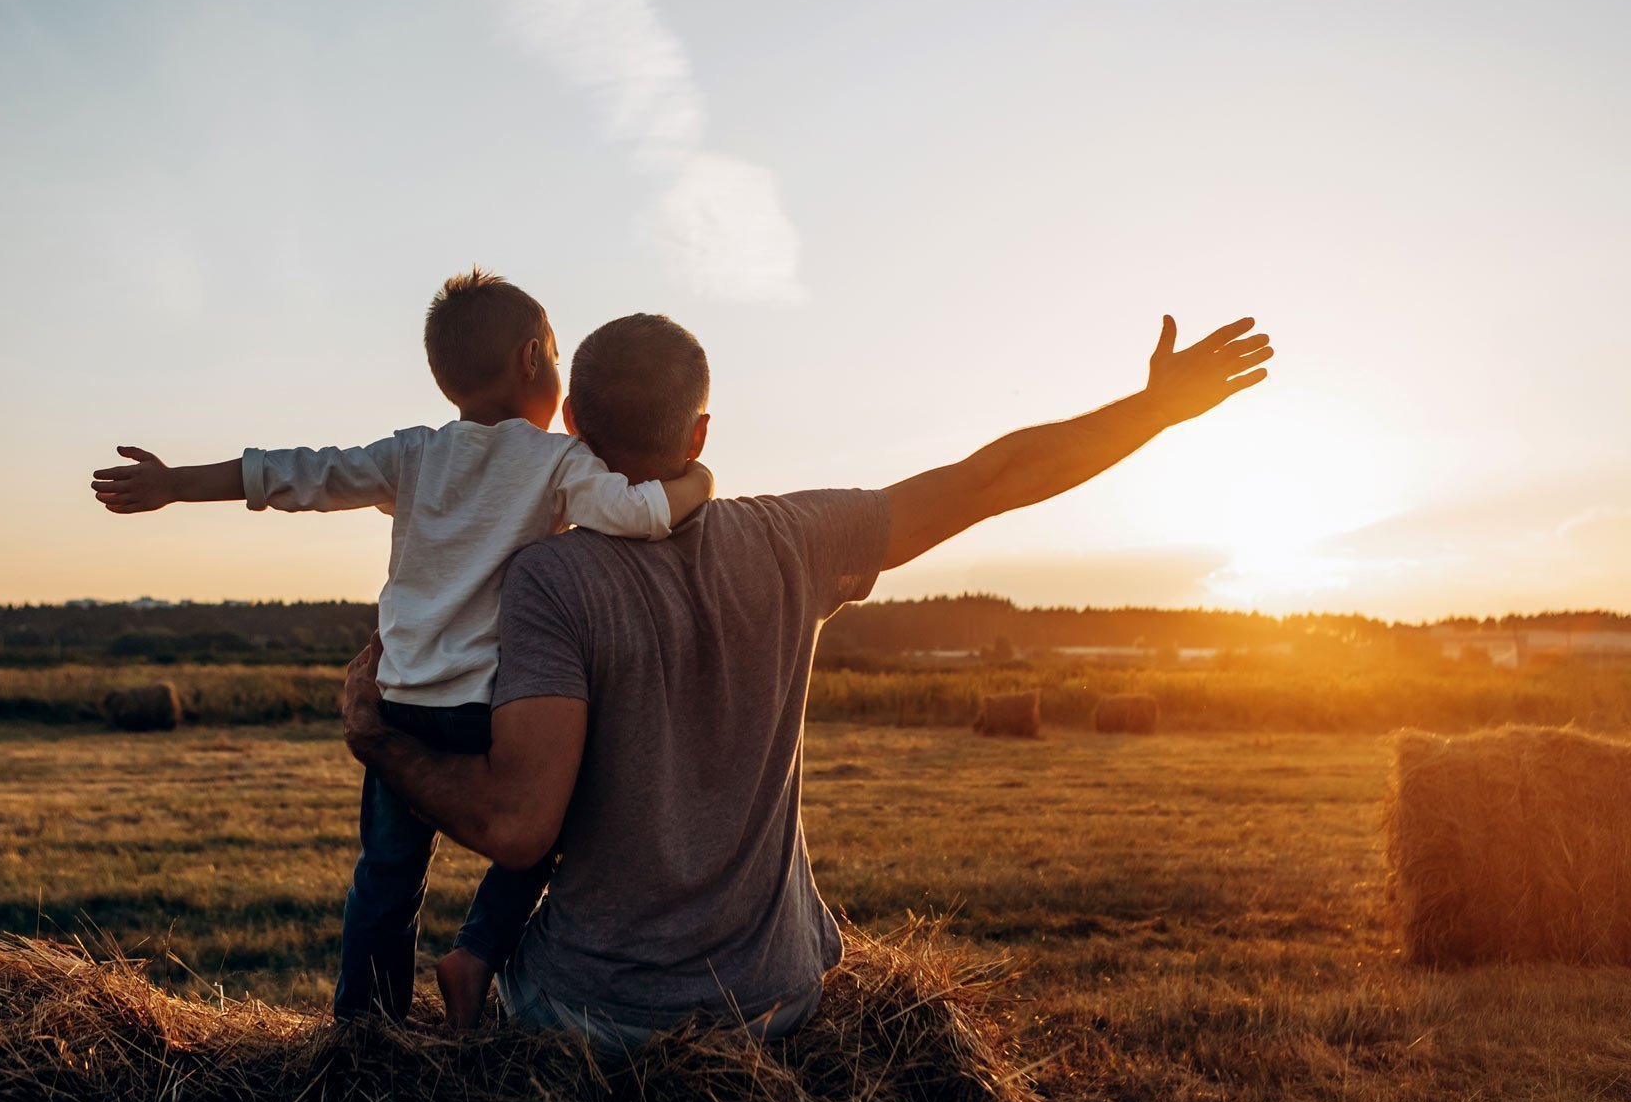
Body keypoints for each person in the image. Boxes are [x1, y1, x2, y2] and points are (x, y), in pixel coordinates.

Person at [339, 310, 1271, 1049]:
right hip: (778, 996)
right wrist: (1154, 410)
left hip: (593, 1016)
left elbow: (518, 826)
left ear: (573, 426)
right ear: (701, 430)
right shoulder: (794, 538)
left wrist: (381, 741)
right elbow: (991, 478)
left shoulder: (549, 578)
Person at [89, 269, 715, 1026]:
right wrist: (700, 479)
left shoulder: (414, 454)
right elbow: (636, 513)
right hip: (489, 708)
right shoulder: (557, 461)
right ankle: (477, 949)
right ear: (532, 359)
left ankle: (366, 1023)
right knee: (547, 827)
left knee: (386, 877)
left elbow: (298, 473)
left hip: (404, 701)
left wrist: (175, 484)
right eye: (554, 355)